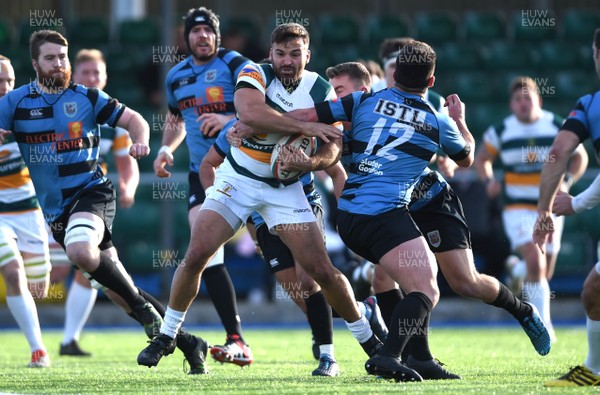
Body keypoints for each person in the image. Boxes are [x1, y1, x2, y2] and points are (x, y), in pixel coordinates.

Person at [137, 22, 388, 370]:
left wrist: (310, 160)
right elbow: (250, 112)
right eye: (281, 53)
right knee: (196, 253)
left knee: (320, 272)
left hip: (286, 189)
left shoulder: (319, 88)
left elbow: (334, 147)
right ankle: (166, 336)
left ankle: (369, 340)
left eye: (295, 54)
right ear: (271, 54)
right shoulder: (255, 72)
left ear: (307, 56)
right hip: (237, 180)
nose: (287, 60)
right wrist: (305, 125)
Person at [0, 30, 209, 375]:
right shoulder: (16, 102)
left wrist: (140, 141)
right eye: (50, 58)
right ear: (35, 63)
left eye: (63, 57)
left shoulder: (87, 97)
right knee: (116, 287)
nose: (58, 63)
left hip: (93, 192)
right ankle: (188, 342)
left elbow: (134, 120)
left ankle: (144, 312)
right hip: (57, 212)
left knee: (81, 251)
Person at [274, 40, 477, 382]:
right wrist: (460, 121)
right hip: (383, 214)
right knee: (427, 289)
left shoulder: (363, 101)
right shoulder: (439, 121)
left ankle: (417, 357)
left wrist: (257, 128)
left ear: (394, 74)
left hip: (350, 215)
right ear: (431, 82)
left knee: (412, 283)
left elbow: (303, 116)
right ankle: (387, 354)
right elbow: (467, 158)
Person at [152, 7, 254, 367]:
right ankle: (236, 338)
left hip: (249, 170)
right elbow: (177, 119)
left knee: (295, 264)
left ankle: (338, 335)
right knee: (203, 248)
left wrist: (228, 118)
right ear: (186, 37)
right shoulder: (177, 76)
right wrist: (166, 148)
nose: (202, 36)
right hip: (203, 174)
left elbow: (261, 106)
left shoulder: (236, 64)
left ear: (217, 34)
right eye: (195, 31)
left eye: (207, 30)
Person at [475, 76, 588, 342]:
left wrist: (568, 181)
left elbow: (580, 156)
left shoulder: (556, 124)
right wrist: (489, 180)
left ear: (539, 99)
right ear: (511, 105)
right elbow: (482, 159)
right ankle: (544, 327)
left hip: (550, 208)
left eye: (527, 97)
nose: (523, 103)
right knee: (536, 263)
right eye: (517, 99)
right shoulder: (501, 130)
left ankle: (517, 270)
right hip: (518, 209)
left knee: (543, 273)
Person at [49, 48, 140, 357]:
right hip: (51, 204)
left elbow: (127, 163)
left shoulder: (112, 117)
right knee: (58, 273)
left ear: (105, 77)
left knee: (88, 268)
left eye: (96, 74)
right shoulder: (59, 108)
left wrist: (127, 186)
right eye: (85, 73)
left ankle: (67, 340)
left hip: (88, 202)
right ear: (75, 75)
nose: (91, 78)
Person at [535, 28, 600, 387]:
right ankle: (594, 370)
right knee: (595, 290)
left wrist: (561, 206)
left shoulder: (591, 104)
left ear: (596, 54)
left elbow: (559, 153)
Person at [0, 55, 51, 368]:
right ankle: (38, 350)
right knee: (12, 270)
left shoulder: (28, 113)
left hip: (29, 212)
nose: (4, 86)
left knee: (39, 288)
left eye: (7, 80)